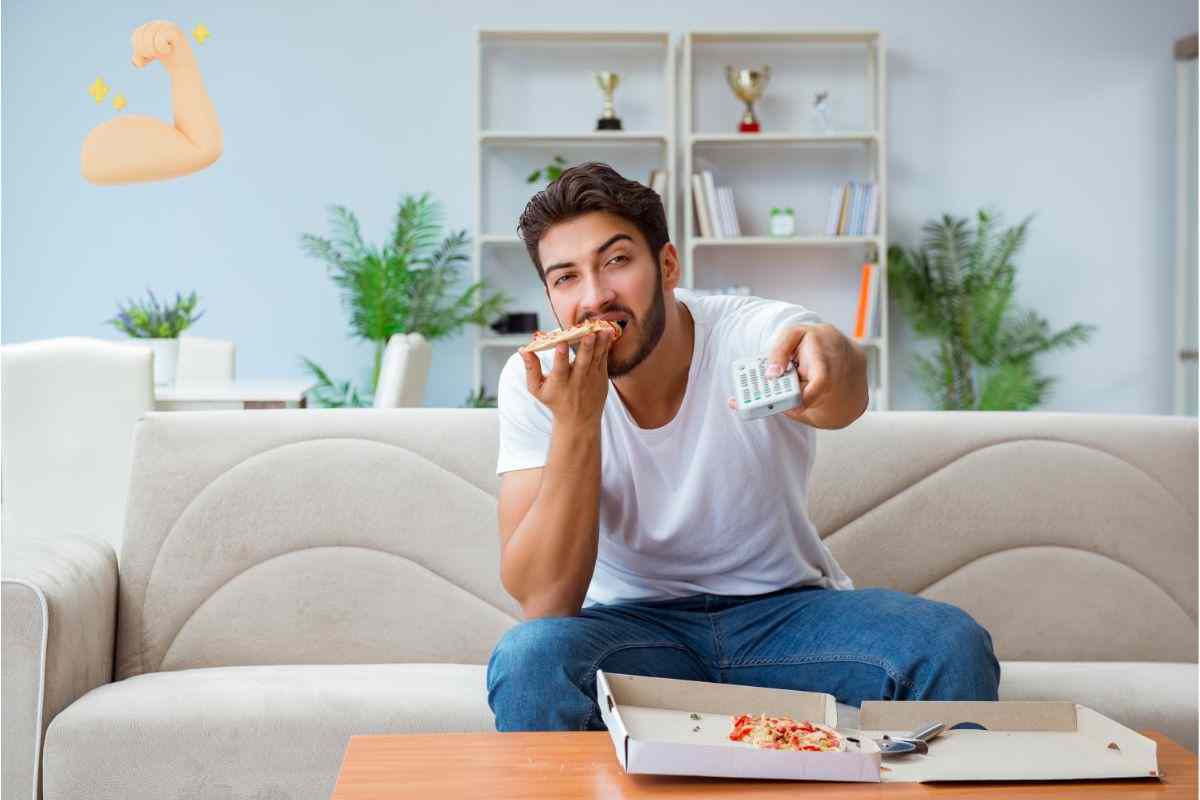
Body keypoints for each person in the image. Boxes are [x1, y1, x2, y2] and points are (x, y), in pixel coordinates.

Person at [487, 162, 1000, 731]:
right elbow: (544, 604)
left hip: (786, 616)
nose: (595, 296)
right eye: (565, 278)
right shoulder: (533, 381)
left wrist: (831, 359)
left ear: (667, 264)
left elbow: (839, 387)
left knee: (949, 642)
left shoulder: (752, 335)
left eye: (616, 261)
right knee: (529, 659)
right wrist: (577, 424)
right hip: (630, 631)